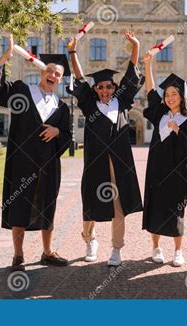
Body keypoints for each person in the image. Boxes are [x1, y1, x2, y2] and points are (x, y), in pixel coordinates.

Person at [0, 34, 72, 272]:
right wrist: (4, 58)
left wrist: (57, 132)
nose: (53, 75)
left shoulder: (61, 107)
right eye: (50, 71)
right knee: (20, 205)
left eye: (58, 74)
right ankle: (18, 255)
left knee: (47, 206)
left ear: (61, 80)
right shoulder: (22, 91)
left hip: (49, 164)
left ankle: (47, 252)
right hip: (22, 162)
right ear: (42, 71)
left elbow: (68, 135)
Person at [66, 31, 144, 266]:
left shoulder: (122, 102)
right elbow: (79, 78)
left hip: (120, 164)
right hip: (95, 163)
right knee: (91, 203)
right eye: (100, 87)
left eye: (109, 86)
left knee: (118, 206)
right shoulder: (89, 105)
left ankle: (116, 249)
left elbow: (131, 76)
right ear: (96, 88)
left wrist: (136, 47)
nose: (105, 90)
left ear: (114, 87)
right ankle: (89, 239)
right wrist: (72, 51)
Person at [142, 52, 187, 267]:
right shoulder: (160, 114)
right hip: (156, 170)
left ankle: (178, 251)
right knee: (155, 207)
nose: (170, 98)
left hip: (178, 173)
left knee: (176, 210)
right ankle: (156, 247)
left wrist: (177, 131)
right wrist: (148, 65)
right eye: (167, 94)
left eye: (174, 94)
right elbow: (150, 91)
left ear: (182, 97)